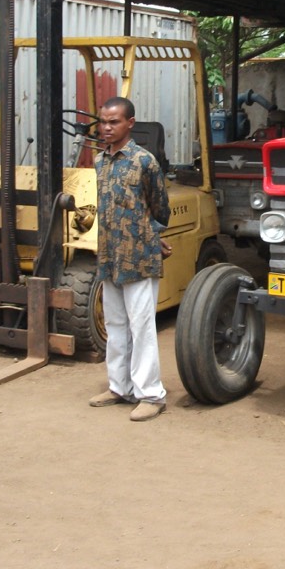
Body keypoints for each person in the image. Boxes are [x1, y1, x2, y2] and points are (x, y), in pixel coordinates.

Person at [88, 96, 172, 422]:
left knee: (142, 327)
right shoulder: (99, 162)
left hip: (138, 257)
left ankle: (151, 394)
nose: (107, 128)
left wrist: (151, 236)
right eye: (103, 122)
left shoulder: (144, 161)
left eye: (114, 122)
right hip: (109, 255)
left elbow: (160, 208)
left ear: (130, 123)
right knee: (115, 325)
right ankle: (118, 387)